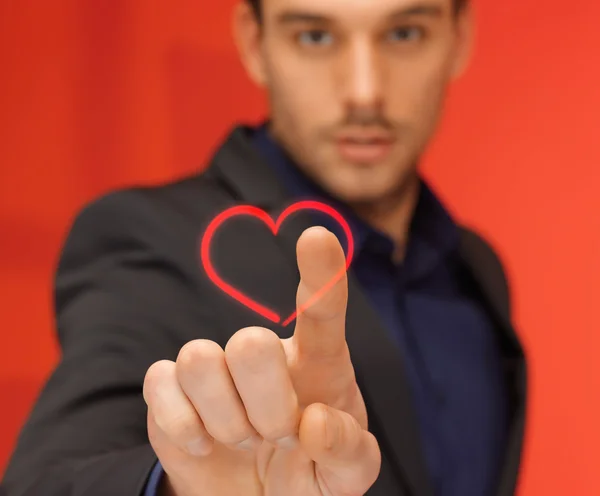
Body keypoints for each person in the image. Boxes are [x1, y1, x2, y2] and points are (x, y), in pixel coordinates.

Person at [1, 0, 528, 494]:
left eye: (404, 33)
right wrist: (180, 487)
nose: (365, 91)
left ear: (459, 39)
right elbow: (41, 482)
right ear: (255, 44)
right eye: (316, 36)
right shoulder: (149, 238)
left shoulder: (476, 269)